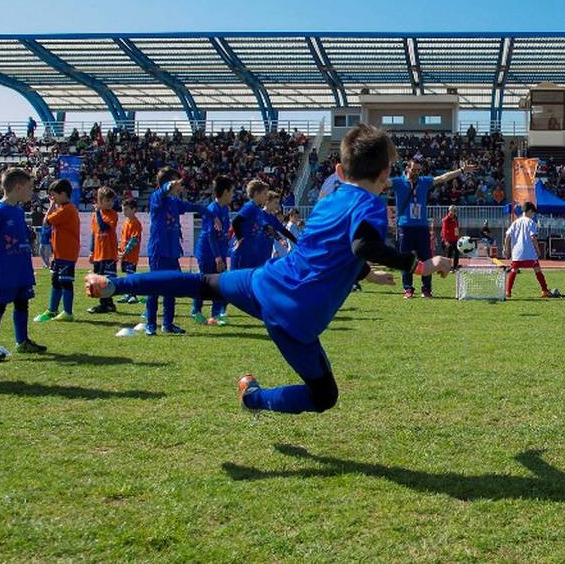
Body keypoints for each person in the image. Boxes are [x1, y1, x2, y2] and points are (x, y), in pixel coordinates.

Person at [86, 123, 452, 415]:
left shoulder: (329, 200)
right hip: (295, 319)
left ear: (339, 171)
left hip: (263, 282)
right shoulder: (371, 204)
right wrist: (421, 265)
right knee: (324, 397)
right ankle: (254, 399)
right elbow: (363, 245)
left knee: (201, 283)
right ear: (386, 173)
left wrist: (366, 274)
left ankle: (114, 285)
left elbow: (334, 249)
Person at [388, 157, 476, 298]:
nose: (416, 172)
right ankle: (408, 289)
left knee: (426, 259)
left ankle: (426, 289)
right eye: (413, 170)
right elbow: (382, 182)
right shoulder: (399, 182)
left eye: (418, 170)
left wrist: (461, 171)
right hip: (405, 227)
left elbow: (443, 178)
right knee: (406, 260)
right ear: (407, 169)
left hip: (422, 227)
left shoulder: (423, 182)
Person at [145, 167, 215, 336]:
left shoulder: (175, 202)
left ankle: (167, 324)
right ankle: (151, 324)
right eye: (178, 184)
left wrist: (210, 212)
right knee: (154, 288)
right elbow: (162, 192)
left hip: (172, 252)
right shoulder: (156, 197)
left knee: (172, 287)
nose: (181, 187)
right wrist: (168, 185)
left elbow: (193, 206)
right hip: (158, 251)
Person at [0, 168, 45, 353]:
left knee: (22, 302)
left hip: (21, 267)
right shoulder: (1, 211)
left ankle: (22, 341)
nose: (31, 192)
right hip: (5, 270)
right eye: (29, 187)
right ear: (18, 187)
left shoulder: (18, 210)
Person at [34, 179, 80, 323]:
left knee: (65, 282)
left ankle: (68, 312)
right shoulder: (63, 209)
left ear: (63, 194)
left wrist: (51, 206)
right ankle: (52, 309)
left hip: (67, 252)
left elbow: (46, 221)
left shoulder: (67, 209)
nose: (52, 199)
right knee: (55, 281)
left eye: (54, 196)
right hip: (59, 253)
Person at [192, 176, 233, 326]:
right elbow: (211, 236)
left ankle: (216, 314)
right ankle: (196, 311)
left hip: (219, 253)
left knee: (219, 284)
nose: (233, 195)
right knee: (205, 283)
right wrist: (217, 258)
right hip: (207, 253)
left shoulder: (225, 209)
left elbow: (222, 234)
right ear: (226, 192)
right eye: (232, 191)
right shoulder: (212, 210)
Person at [503, 202, 551, 298]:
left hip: (517, 253)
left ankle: (508, 292)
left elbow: (507, 236)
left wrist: (506, 248)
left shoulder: (515, 222)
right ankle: (544, 290)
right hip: (529, 253)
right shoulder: (531, 222)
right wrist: (537, 249)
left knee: (514, 270)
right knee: (537, 270)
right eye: (533, 213)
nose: (533, 215)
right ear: (529, 211)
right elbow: (533, 237)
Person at [87, 186, 119, 314]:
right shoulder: (96, 216)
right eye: (107, 201)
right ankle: (106, 304)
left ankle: (106, 304)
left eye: (111, 201)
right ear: (100, 201)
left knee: (107, 280)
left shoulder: (113, 214)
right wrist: (91, 251)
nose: (110, 203)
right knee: (98, 281)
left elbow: (104, 227)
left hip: (109, 253)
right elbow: (94, 234)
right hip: (98, 254)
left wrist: (98, 212)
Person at [117, 199, 142, 305]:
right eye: (123, 209)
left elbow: (134, 239)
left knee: (131, 274)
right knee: (127, 275)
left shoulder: (136, 223)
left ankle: (133, 295)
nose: (124, 212)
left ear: (134, 209)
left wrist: (126, 251)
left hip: (131, 254)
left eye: (126, 209)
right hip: (124, 254)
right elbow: (122, 238)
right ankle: (128, 294)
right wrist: (119, 249)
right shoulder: (125, 222)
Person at [440, 205, 460, 271]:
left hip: (455, 239)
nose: (453, 212)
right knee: (449, 254)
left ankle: (455, 266)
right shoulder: (446, 220)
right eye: (452, 210)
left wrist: (457, 237)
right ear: (449, 211)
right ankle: (447, 268)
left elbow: (456, 228)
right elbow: (444, 231)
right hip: (448, 240)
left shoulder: (456, 218)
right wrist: (446, 241)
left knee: (457, 252)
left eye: (454, 211)